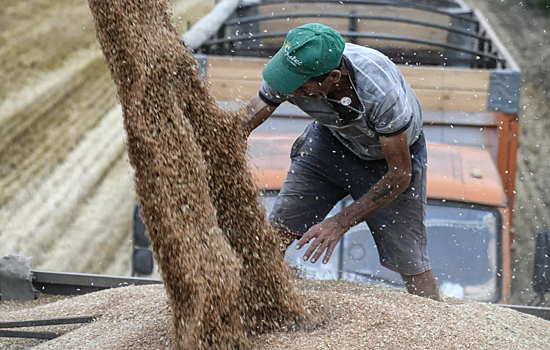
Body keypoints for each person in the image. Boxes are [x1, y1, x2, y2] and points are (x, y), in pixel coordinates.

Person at [243, 23, 440, 301]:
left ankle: (433, 326)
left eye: (300, 86)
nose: (290, 90)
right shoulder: (290, 71)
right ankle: (250, 305)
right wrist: (220, 146)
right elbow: (249, 115)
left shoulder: (381, 92)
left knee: (411, 261)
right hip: (330, 146)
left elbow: (400, 175)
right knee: (274, 235)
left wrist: (340, 222)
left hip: (390, 162)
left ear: (333, 77)